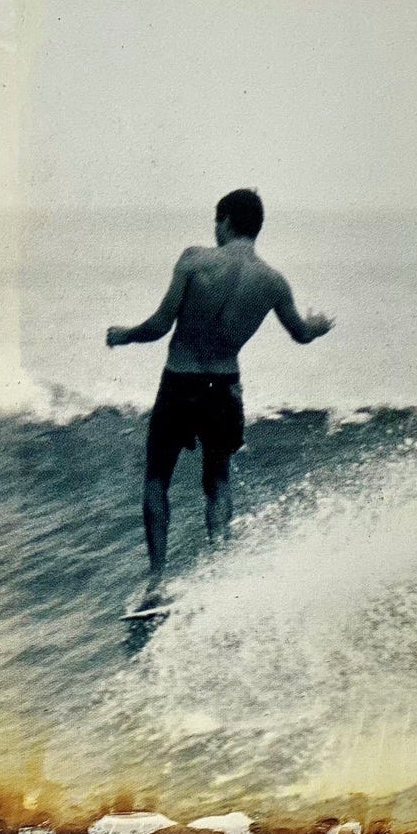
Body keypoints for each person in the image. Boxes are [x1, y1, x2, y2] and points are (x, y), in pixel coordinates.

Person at [106, 189, 333, 589]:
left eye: (216, 220)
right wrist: (318, 326)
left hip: (180, 380)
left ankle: (157, 579)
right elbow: (300, 333)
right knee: (218, 481)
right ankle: (218, 575)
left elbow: (160, 326)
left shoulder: (194, 260)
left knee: (157, 479)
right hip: (223, 387)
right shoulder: (274, 282)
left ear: (226, 220)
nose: (214, 228)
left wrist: (122, 336)